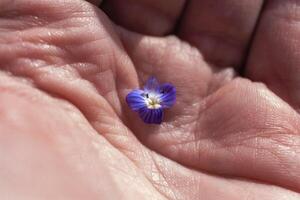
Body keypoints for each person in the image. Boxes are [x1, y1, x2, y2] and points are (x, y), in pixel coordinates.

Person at [0, 0, 299, 199]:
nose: (153, 103)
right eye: (152, 102)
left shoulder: (150, 101)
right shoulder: (145, 102)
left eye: (154, 103)